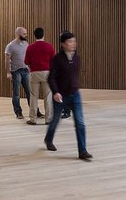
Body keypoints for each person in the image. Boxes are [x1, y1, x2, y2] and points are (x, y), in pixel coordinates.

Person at [45, 31, 92, 160]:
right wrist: (55, 92)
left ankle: (82, 151)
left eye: (74, 41)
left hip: (75, 95)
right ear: (63, 44)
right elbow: (51, 78)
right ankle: (48, 140)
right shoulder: (57, 59)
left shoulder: (77, 58)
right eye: (70, 42)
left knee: (80, 123)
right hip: (61, 96)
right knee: (55, 120)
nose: (73, 44)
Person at [24, 27, 53, 125]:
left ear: (34, 35)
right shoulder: (49, 46)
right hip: (47, 73)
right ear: (43, 35)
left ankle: (33, 119)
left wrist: (31, 70)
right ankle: (48, 119)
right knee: (48, 96)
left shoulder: (30, 47)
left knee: (33, 96)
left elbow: (26, 62)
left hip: (34, 73)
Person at [4, 26, 31, 119]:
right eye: (24, 34)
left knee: (30, 92)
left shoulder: (26, 44)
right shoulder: (10, 45)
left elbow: (28, 58)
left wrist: (30, 69)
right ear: (18, 34)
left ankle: (35, 111)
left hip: (26, 70)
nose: (26, 35)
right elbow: (7, 60)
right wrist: (8, 72)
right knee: (16, 93)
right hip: (16, 71)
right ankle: (18, 112)